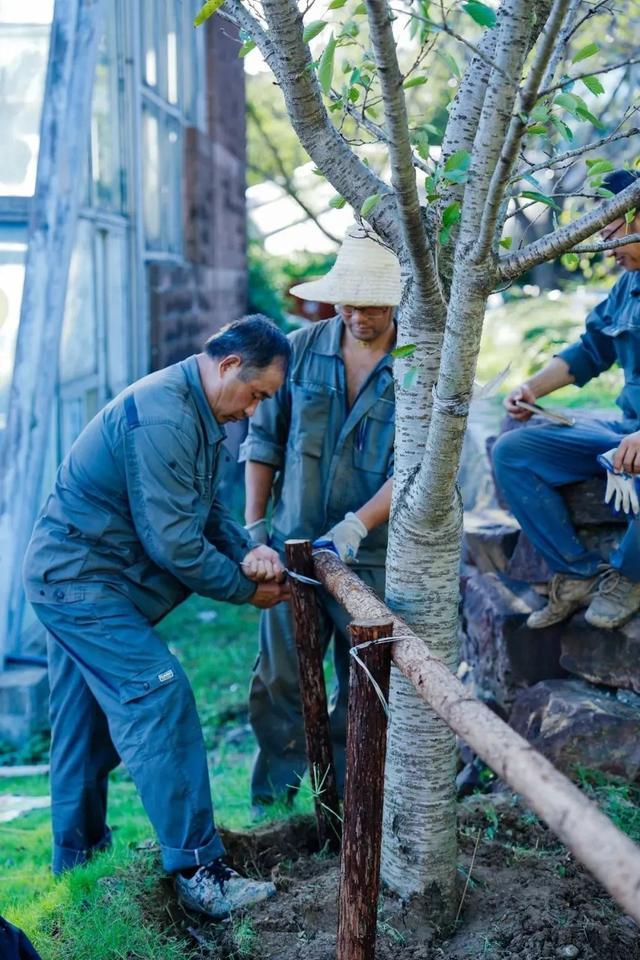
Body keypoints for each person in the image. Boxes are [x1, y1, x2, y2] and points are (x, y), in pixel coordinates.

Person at [23, 316, 291, 919]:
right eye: (255, 395)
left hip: (81, 577)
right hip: (80, 584)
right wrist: (245, 591)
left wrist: (246, 547)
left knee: (81, 728)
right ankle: (202, 871)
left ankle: (79, 867)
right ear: (228, 367)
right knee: (159, 698)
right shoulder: (166, 415)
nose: (252, 411)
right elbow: (173, 542)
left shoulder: (194, 406)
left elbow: (200, 507)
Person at [240, 223, 401, 809]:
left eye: (374, 302)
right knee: (280, 679)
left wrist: (359, 524)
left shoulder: (415, 364)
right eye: (349, 301)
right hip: (294, 548)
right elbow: (263, 441)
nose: (360, 314)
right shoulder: (299, 350)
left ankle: (342, 813)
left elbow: (413, 468)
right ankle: (272, 808)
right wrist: (256, 526)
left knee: (361, 688)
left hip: (371, 559)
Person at [492, 169, 640, 630]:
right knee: (514, 452)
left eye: (611, 233)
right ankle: (578, 575)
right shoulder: (625, 288)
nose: (604, 248)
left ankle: (631, 578)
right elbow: (591, 350)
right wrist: (532, 389)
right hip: (623, 431)